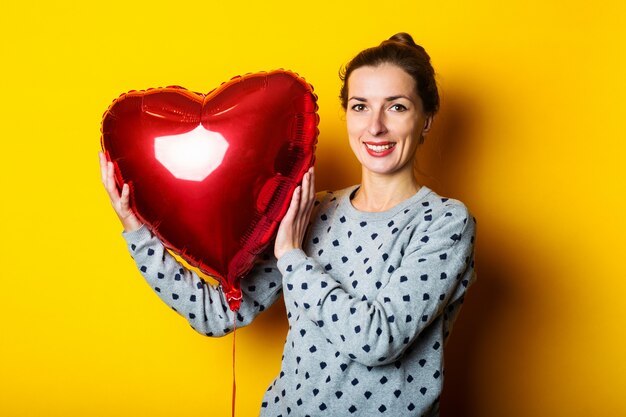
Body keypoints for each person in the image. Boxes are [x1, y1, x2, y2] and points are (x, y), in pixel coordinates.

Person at [100, 32, 476, 417]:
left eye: (396, 107)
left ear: (427, 120)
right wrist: (137, 232)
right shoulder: (313, 211)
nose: (375, 126)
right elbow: (219, 313)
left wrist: (292, 257)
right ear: (346, 113)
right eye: (361, 106)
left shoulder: (445, 222)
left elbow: (376, 340)